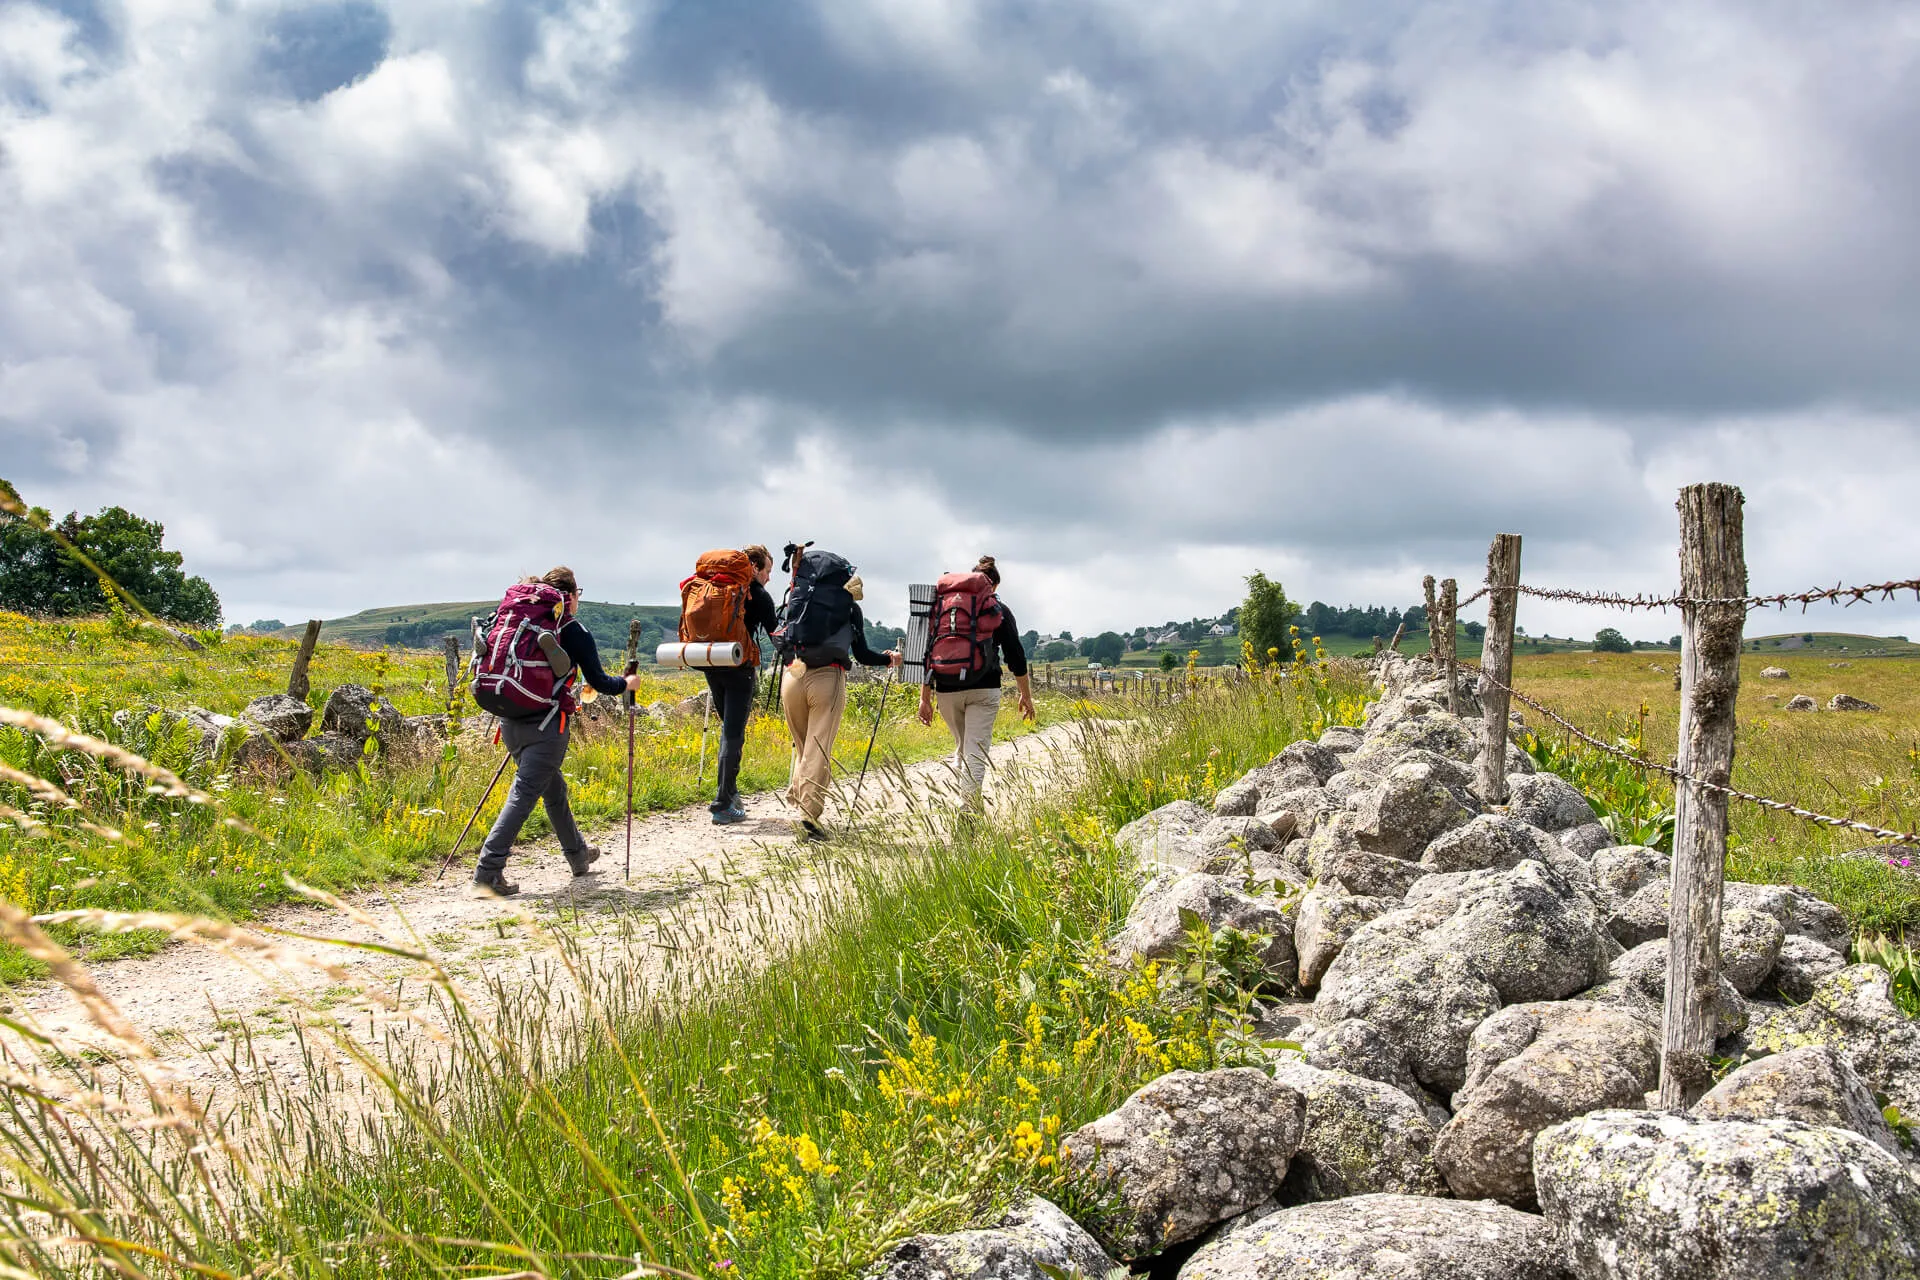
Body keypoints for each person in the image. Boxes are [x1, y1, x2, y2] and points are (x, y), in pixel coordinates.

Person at [472, 566, 642, 896]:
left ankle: (578, 856)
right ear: (571, 596)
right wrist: (627, 683)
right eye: (579, 594)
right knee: (524, 796)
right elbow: (600, 683)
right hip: (548, 725)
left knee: (553, 789)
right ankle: (488, 872)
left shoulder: (520, 622)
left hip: (510, 719)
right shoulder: (572, 629)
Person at [779, 561, 900, 840]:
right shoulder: (848, 607)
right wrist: (889, 659)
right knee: (818, 749)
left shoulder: (799, 600)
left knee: (802, 747)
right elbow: (862, 654)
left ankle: (799, 801)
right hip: (827, 678)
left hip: (792, 675)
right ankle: (809, 819)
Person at [917, 556, 1034, 808]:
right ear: (993, 586)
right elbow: (1016, 655)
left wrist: (924, 698)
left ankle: (964, 797)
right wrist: (1026, 695)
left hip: (946, 688)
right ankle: (968, 809)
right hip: (984, 687)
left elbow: (925, 653)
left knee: (963, 746)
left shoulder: (943, 607)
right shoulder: (998, 609)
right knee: (975, 750)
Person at [704, 544, 781, 825]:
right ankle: (722, 803)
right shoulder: (758, 594)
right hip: (740, 667)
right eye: (768, 571)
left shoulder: (713, 587)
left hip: (711, 663)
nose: (769, 577)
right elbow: (777, 636)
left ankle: (731, 792)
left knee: (728, 728)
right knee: (733, 732)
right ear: (756, 568)